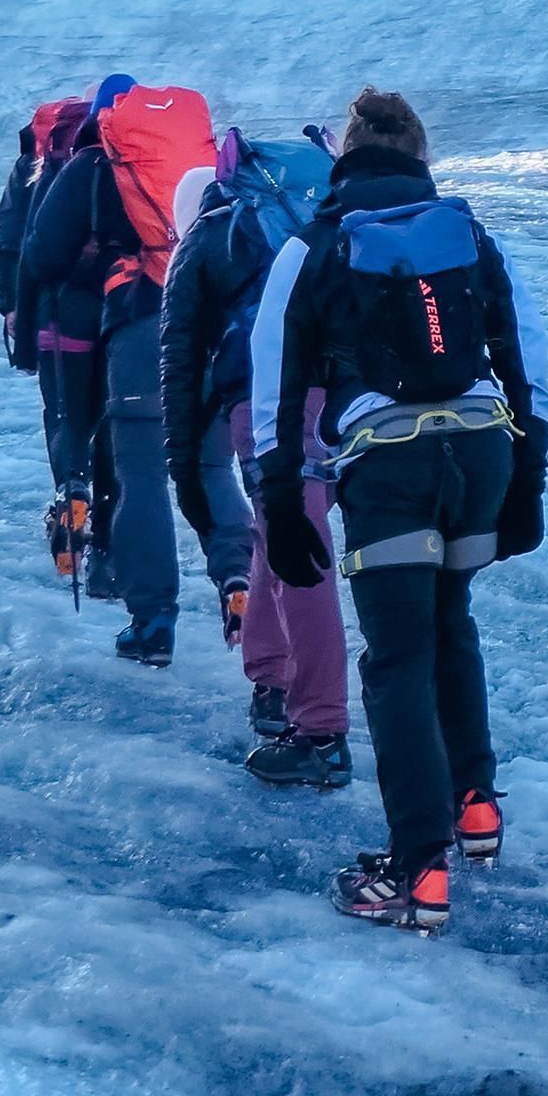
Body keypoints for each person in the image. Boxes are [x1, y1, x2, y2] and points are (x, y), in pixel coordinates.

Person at [252, 88, 548, 931]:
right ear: (422, 157)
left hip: (389, 463)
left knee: (396, 658)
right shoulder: (469, 235)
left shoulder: (314, 244)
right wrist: (528, 478)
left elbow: (274, 379)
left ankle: (417, 870)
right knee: (450, 622)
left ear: (343, 158)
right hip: (480, 452)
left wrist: (282, 501)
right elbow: (523, 354)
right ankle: (475, 807)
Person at [159, 127, 352, 780]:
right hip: (355, 393)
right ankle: (270, 676)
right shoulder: (313, 218)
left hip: (272, 401)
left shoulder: (207, 239)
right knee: (284, 527)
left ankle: (320, 729)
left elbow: (180, 371)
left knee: (300, 546)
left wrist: (188, 478)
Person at [16, 74, 192, 663]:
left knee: (69, 419)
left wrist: (23, 331)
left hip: (68, 321)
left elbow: (37, 254)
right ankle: (112, 563)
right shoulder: (162, 172)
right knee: (124, 443)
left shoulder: (80, 167)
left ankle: (72, 492)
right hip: (137, 323)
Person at [1, 94, 103, 586]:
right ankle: (110, 535)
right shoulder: (124, 163)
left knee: (64, 414)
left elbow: (13, 243)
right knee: (111, 422)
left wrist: (12, 310)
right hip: (123, 315)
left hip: (57, 318)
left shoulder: (38, 165)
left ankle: (72, 490)